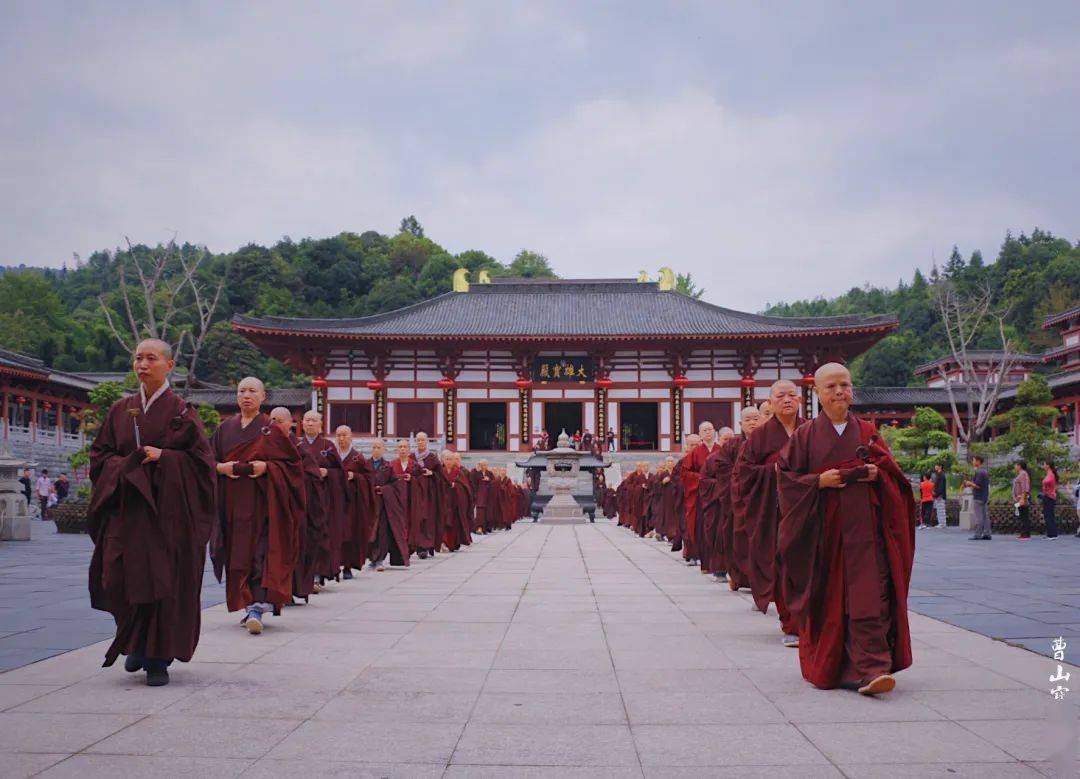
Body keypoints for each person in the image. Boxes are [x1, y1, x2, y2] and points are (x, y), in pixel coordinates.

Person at [776, 362, 916, 696]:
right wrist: (817, 482)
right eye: (832, 386)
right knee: (829, 599)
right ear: (817, 393)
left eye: (845, 385)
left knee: (872, 597)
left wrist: (875, 473)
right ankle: (832, 665)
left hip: (866, 535)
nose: (840, 392)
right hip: (826, 536)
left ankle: (873, 668)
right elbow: (786, 480)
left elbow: (893, 476)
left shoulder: (868, 432)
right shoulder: (805, 436)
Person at [87, 339, 215, 686]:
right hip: (127, 511)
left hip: (167, 516)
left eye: (151, 358)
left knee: (163, 581)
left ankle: (158, 657)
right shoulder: (119, 409)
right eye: (138, 358)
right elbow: (100, 457)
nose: (143, 364)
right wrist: (127, 463)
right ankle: (135, 642)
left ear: (169, 365)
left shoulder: (182, 411)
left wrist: (166, 458)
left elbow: (203, 466)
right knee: (117, 576)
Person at [211, 377, 304, 635]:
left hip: (264, 506)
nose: (246, 395)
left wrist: (268, 467)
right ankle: (247, 603)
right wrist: (220, 467)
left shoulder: (270, 429)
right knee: (236, 554)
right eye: (242, 391)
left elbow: (293, 468)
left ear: (263, 397)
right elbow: (206, 461)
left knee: (260, 553)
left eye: (253, 391)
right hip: (231, 504)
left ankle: (256, 606)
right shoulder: (224, 429)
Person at [734, 380, 806, 646]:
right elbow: (744, 473)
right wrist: (773, 472)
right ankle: (791, 624)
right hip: (774, 510)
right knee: (783, 564)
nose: (786, 400)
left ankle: (810, 622)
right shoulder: (761, 437)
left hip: (808, 509)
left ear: (799, 399)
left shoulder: (810, 430)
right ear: (771, 401)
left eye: (791, 395)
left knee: (810, 565)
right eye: (780, 396)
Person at [294, 410, 332, 594]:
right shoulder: (296, 444)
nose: (309, 423)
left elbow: (339, 472)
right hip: (301, 496)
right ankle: (303, 576)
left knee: (320, 534)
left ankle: (317, 574)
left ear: (320, 424)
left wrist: (328, 473)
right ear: (302, 423)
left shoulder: (328, 445)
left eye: (313, 420)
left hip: (322, 497)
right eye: (307, 420)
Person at [724, 408, 762, 591]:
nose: (753, 423)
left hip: (763, 497)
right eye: (748, 419)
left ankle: (760, 583)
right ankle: (739, 577)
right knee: (740, 538)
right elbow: (722, 469)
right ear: (740, 424)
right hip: (739, 497)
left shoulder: (768, 441)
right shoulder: (732, 445)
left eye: (756, 418)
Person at [697, 426, 735, 576]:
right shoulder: (712, 458)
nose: (729, 443)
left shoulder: (743, 455)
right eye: (726, 439)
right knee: (718, 533)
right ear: (719, 440)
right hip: (718, 504)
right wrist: (722, 485)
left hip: (736, 503)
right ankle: (719, 568)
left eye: (732, 439)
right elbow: (704, 480)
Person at [369, 439, 412, 569]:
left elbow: (395, 485)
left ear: (383, 450)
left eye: (379, 447)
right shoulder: (365, 465)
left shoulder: (387, 467)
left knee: (381, 532)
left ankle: (380, 559)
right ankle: (372, 557)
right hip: (369, 504)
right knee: (370, 532)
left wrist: (384, 490)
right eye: (374, 447)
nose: (376, 450)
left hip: (383, 505)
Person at [412, 432, 441, 558]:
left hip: (429, 494)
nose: (420, 442)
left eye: (422, 440)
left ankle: (428, 545)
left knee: (428, 519)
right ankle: (420, 547)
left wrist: (432, 474)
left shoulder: (433, 457)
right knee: (418, 518)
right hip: (416, 493)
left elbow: (440, 476)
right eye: (418, 440)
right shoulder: (412, 457)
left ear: (427, 442)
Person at [440, 450, 474, 551]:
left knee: (454, 523)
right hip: (443, 501)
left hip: (456, 502)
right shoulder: (440, 472)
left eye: (451, 459)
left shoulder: (459, 473)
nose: (449, 461)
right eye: (447, 459)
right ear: (442, 460)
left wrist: (456, 486)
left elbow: (465, 487)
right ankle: (443, 542)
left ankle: (452, 543)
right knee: (444, 522)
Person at [964, 455, 991, 540]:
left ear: (978, 461)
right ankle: (987, 533)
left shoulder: (979, 472)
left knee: (979, 517)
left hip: (978, 497)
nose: (973, 462)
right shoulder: (985, 471)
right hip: (984, 496)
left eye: (974, 460)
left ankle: (977, 534)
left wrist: (969, 483)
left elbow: (978, 485)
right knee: (985, 516)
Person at [1039, 460, 1059, 539]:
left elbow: (1048, 481)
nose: (1043, 465)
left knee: (1049, 516)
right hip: (1048, 497)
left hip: (1049, 497)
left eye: (1044, 464)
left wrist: (1044, 485)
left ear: (1048, 465)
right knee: (1049, 515)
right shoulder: (1049, 473)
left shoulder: (1050, 474)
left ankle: (1052, 535)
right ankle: (1051, 534)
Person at [1013, 460, 1031, 540]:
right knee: (1022, 516)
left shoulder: (1023, 474)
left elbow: (1025, 487)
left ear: (1019, 466)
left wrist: (1023, 498)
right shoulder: (1021, 474)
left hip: (1022, 498)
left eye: (1016, 465)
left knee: (1024, 516)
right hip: (1019, 498)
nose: (1015, 467)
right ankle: (1024, 533)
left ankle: (1025, 534)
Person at [932, 463, 948, 528]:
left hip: (940, 495)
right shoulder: (939, 474)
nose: (935, 466)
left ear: (940, 466)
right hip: (938, 494)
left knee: (941, 509)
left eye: (937, 465)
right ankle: (941, 523)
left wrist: (937, 493)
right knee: (939, 509)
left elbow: (941, 486)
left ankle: (942, 523)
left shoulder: (941, 475)